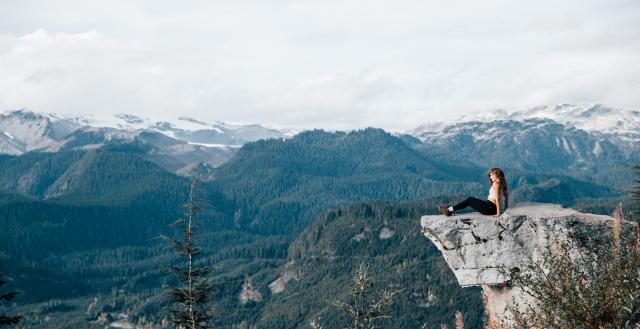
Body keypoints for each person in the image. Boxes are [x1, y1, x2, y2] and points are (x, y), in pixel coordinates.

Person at [438, 167, 508, 218]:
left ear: (497, 175)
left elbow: (497, 199)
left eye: (492, 175)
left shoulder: (496, 184)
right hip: (490, 207)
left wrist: (498, 213)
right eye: (490, 175)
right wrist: (505, 209)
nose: (490, 176)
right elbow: (506, 197)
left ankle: (449, 210)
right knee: (470, 200)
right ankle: (449, 209)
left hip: (489, 208)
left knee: (470, 200)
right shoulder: (501, 183)